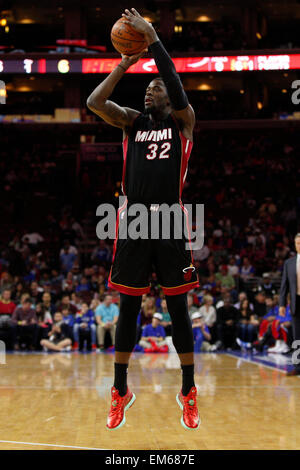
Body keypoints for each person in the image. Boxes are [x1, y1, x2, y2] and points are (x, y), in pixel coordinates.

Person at [87, 8, 200, 430]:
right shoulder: (131, 123)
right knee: (128, 308)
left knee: (179, 308)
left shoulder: (184, 123)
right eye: (147, 89)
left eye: (156, 89)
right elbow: (94, 102)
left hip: (170, 219)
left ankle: (188, 390)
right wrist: (124, 64)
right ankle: (120, 390)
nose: (149, 92)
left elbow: (173, 82)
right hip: (133, 219)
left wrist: (153, 39)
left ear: (171, 98)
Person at [279, 234, 300, 375]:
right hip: (296, 302)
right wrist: (281, 304)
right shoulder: (289, 263)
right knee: (297, 336)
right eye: (297, 243)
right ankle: (298, 367)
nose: (299, 245)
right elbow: (284, 285)